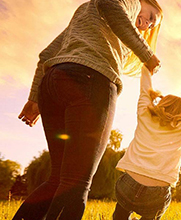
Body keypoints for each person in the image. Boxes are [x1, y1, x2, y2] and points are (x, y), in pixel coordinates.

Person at [14, 0, 163, 219]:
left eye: (152, 26)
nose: (147, 25)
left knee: (58, 180)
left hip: (53, 84)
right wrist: (147, 54)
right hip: (90, 81)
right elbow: (109, 4)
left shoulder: (85, 12)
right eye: (151, 17)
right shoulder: (128, 3)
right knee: (77, 181)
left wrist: (34, 98)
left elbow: (46, 55)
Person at [113, 66, 181, 220]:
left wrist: (147, 69)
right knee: (153, 213)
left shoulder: (145, 113)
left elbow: (145, 89)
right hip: (157, 192)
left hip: (128, 185)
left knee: (120, 215)